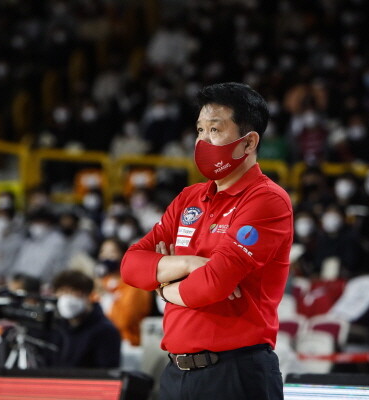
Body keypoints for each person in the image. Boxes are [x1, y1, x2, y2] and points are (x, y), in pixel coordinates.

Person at [121, 82, 293, 400]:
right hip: (175, 373)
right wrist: (189, 264)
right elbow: (130, 265)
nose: (202, 140)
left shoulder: (267, 200)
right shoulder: (190, 197)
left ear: (248, 142)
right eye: (200, 130)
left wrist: (163, 287)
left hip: (235, 374)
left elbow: (213, 283)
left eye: (214, 129)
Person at [45, 270, 121, 368]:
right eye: (62, 292)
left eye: (73, 291)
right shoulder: (56, 328)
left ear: (87, 294)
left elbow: (107, 370)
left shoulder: (105, 331)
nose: (67, 297)